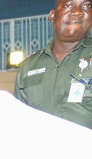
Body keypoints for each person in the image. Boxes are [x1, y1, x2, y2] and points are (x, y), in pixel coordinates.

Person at [14, 0, 92, 129]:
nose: (78, 12)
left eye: (86, 6)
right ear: (52, 15)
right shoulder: (28, 67)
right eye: (68, 5)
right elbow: (19, 122)